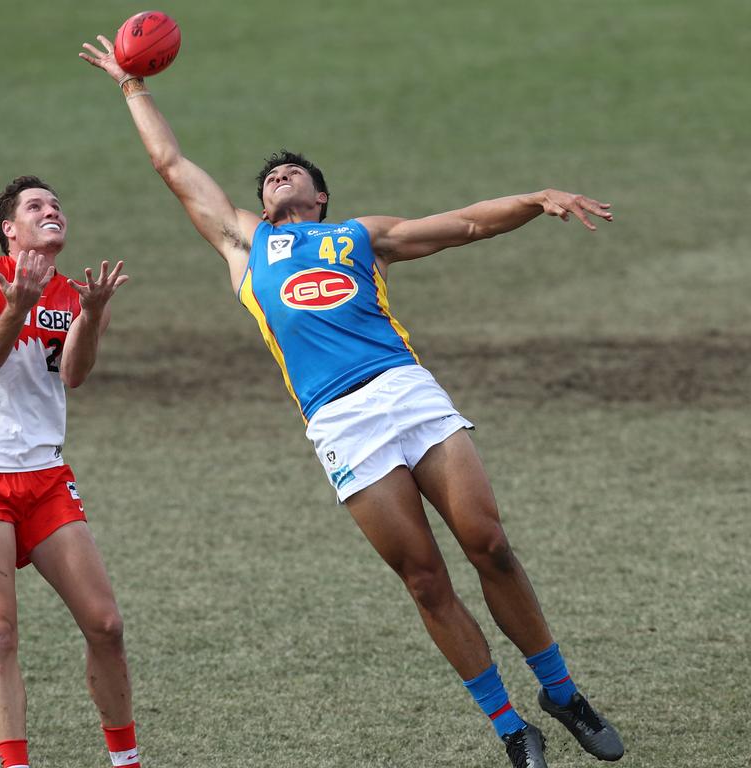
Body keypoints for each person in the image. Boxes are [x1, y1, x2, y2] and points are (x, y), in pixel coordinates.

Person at [80, 36, 625, 768]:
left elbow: (462, 224)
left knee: (488, 543)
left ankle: (559, 691)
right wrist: (131, 86)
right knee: (426, 580)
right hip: (339, 422)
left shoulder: (358, 236)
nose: (278, 173)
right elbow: (173, 168)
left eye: (293, 171)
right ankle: (509, 729)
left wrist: (535, 199)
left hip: (406, 391)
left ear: (320, 195)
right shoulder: (244, 245)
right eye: (270, 173)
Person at [0, 175, 139, 768]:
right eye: (35, 206)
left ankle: (127, 761)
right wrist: (18, 304)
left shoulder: (76, 292)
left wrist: (93, 314)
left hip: (45, 474)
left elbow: (73, 374)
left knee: (105, 624)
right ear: (10, 228)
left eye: (56, 203)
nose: (51, 210)